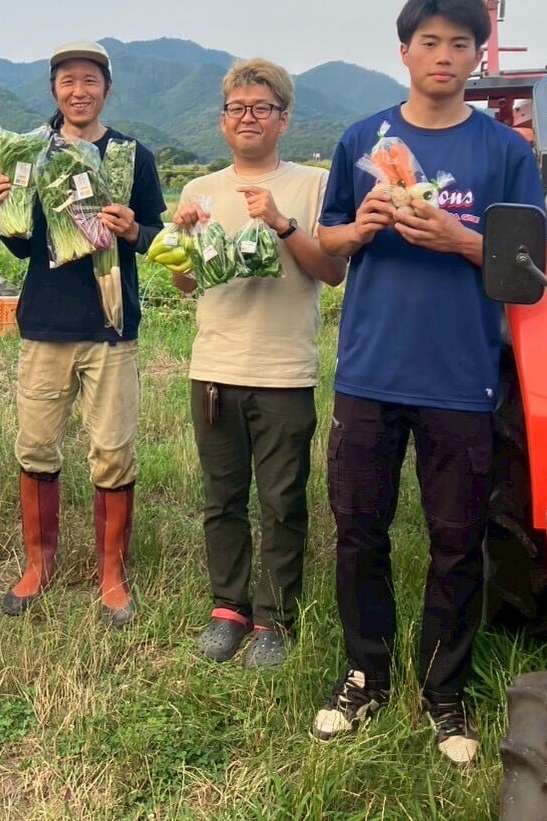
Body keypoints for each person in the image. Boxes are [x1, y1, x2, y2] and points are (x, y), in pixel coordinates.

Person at [310, 0, 543, 765]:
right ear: (403, 51)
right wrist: (359, 227)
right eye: (430, 42)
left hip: (461, 376)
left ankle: (445, 692)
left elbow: (528, 268)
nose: (443, 57)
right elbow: (327, 242)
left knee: (455, 540)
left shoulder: (503, 152)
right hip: (369, 372)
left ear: (477, 54)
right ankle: (364, 674)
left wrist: (459, 238)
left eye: (459, 44)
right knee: (358, 531)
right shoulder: (362, 140)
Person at [0, 41, 166, 627]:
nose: (78, 90)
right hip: (46, 325)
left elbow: (157, 235)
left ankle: (112, 574)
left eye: (89, 80)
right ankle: (39, 565)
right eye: (68, 81)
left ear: (106, 88)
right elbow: (20, 246)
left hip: (112, 327)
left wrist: (133, 230)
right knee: (36, 447)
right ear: (54, 90)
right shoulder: (30, 153)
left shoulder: (131, 157)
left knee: (113, 451)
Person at [169, 59, 345, 669]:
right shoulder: (200, 190)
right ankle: (228, 608)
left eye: (262, 108)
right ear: (222, 121)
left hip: (284, 371)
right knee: (221, 498)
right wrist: (181, 241)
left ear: (283, 119)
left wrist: (280, 223)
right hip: (214, 368)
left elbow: (332, 270)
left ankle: (274, 617)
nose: (248, 118)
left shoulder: (313, 184)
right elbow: (189, 283)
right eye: (237, 108)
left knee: (281, 499)